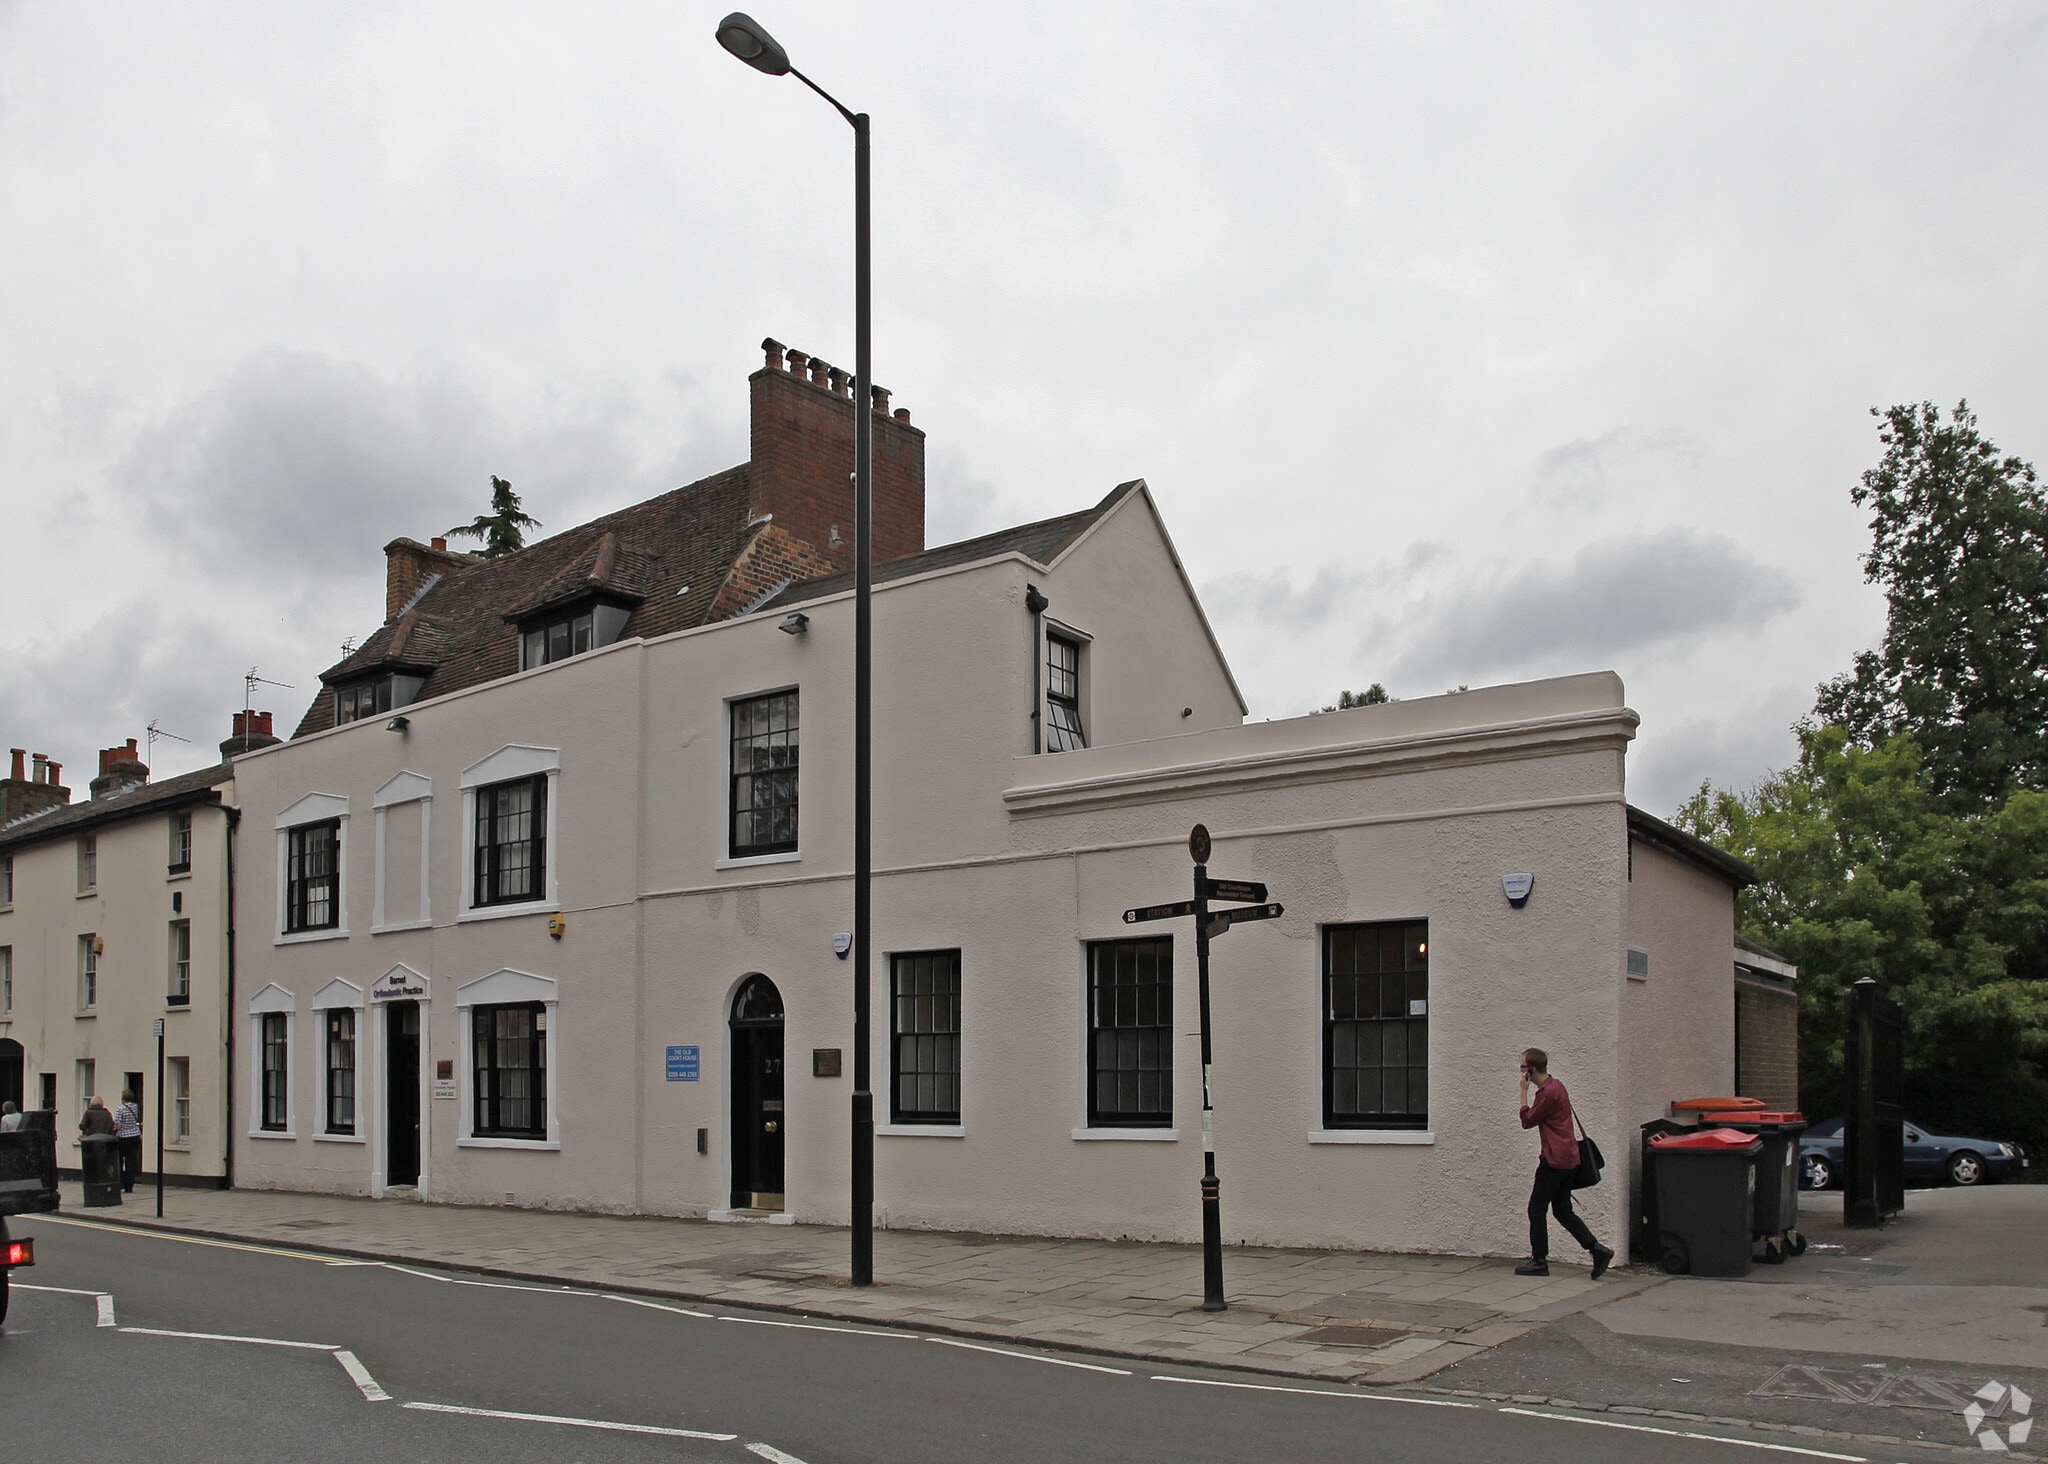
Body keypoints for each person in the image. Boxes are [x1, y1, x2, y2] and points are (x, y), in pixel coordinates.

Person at [1516, 1048, 1613, 1279]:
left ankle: (1539, 1261)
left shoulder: (1547, 1093)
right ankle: (1597, 1249)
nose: (1520, 1072)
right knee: (1562, 1210)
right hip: (1569, 1157)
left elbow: (1527, 1121)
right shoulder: (1557, 1086)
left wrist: (1523, 1094)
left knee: (1536, 1209)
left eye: (1522, 1067)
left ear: (1531, 1069)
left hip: (1554, 1160)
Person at [114, 1089, 144, 1193]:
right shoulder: (136, 1107)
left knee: (120, 1161)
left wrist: (114, 1128)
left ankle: (121, 1182)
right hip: (135, 1136)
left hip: (123, 1137)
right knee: (130, 1161)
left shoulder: (120, 1109)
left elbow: (117, 1125)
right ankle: (129, 1185)